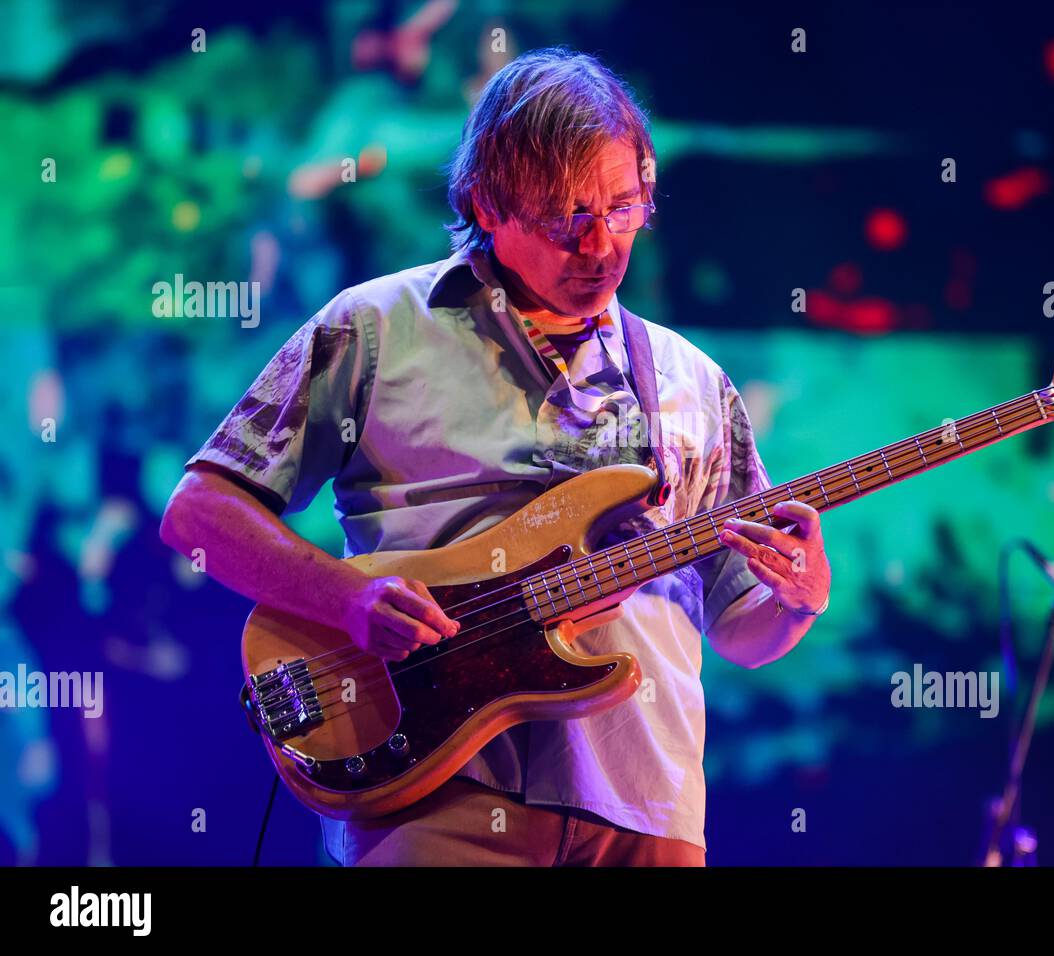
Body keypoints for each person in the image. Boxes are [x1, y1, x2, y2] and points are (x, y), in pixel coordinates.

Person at [160, 46, 831, 867]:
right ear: (489, 201)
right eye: (565, 216)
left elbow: (739, 629)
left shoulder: (695, 382)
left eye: (624, 207)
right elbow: (200, 516)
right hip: (438, 796)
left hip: (648, 808)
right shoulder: (373, 329)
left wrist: (795, 602)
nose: (601, 246)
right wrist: (345, 600)